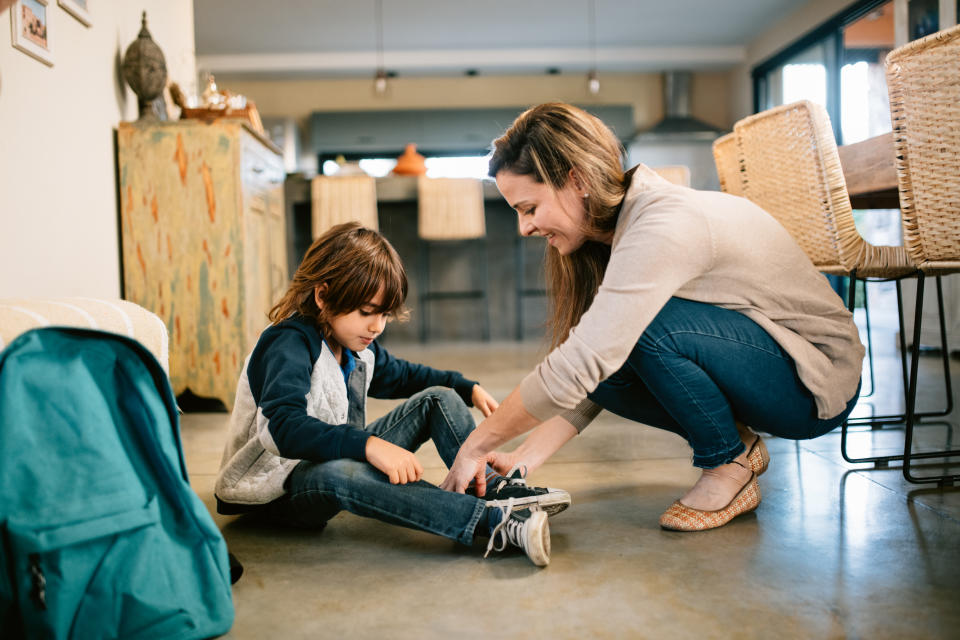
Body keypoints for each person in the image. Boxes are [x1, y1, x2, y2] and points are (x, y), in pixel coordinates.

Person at [441, 103, 864, 531]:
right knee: (609, 343)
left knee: (636, 334)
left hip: (815, 383)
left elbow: (583, 362)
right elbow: (595, 374)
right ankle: (736, 447)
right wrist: (521, 458)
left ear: (576, 180)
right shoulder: (616, 231)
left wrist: (477, 444)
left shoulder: (661, 225)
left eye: (529, 208)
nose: (524, 228)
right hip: (768, 362)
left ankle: (728, 465)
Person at [215, 222, 569, 566]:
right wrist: (369, 446)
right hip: (274, 492)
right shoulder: (287, 343)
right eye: (366, 312)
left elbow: (401, 376)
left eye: (384, 314)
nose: (377, 326)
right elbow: (283, 429)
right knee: (338, 471)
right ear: (322, 295)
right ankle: (493, 524)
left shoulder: (354, 343)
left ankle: (493, 490)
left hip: (326, 459)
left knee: (437, 398)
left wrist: (464, 387)